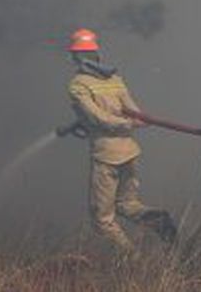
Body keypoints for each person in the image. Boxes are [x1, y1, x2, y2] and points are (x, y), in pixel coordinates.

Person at [65, 27, 177, 255]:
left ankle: (131, 259)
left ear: (75, 56)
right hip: (130, 151)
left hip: (107, 156)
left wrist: (126, 123)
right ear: (97, 53)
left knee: (102, 219)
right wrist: (134, 122)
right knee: (127, 204)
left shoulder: (78, 84)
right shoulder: (114, 78)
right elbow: (132, 109)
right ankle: (158, 221)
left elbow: (97, 117)